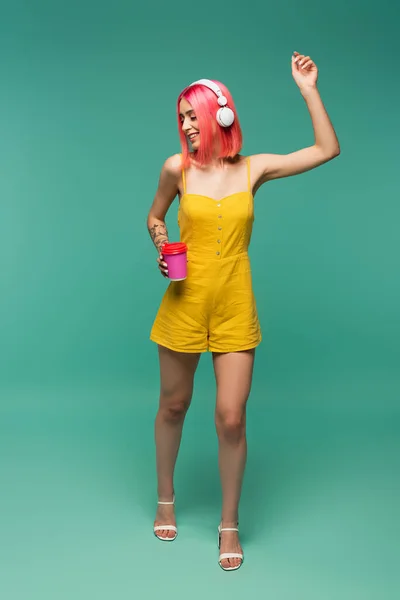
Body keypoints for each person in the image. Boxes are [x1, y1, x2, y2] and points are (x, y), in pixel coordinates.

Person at [147, 51, 340, 571]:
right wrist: (163, 243)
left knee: (231, 418)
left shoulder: (253, 169)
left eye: (193, 114)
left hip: (235, 305)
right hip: (184, 304)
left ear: (221, 115)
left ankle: (228, 523)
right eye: (181, 117)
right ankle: (166, 496)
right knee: (173, 405)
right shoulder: (175, 169)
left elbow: (327, 148)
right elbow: (154, 216)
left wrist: (308, 89)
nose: (186, 125)